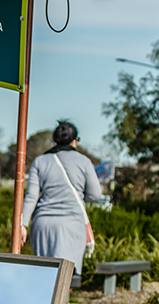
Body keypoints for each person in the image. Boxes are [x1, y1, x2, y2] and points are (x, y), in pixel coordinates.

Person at [21, 121, 103, 286]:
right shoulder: (84, 161)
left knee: (45, 277)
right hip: (71, 224)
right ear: (75, 140)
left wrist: (23, 224)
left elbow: (31, 196)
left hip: (43, 224)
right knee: (65, 279)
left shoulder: (40, 161)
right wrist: (78, 198)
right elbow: (96, 194)